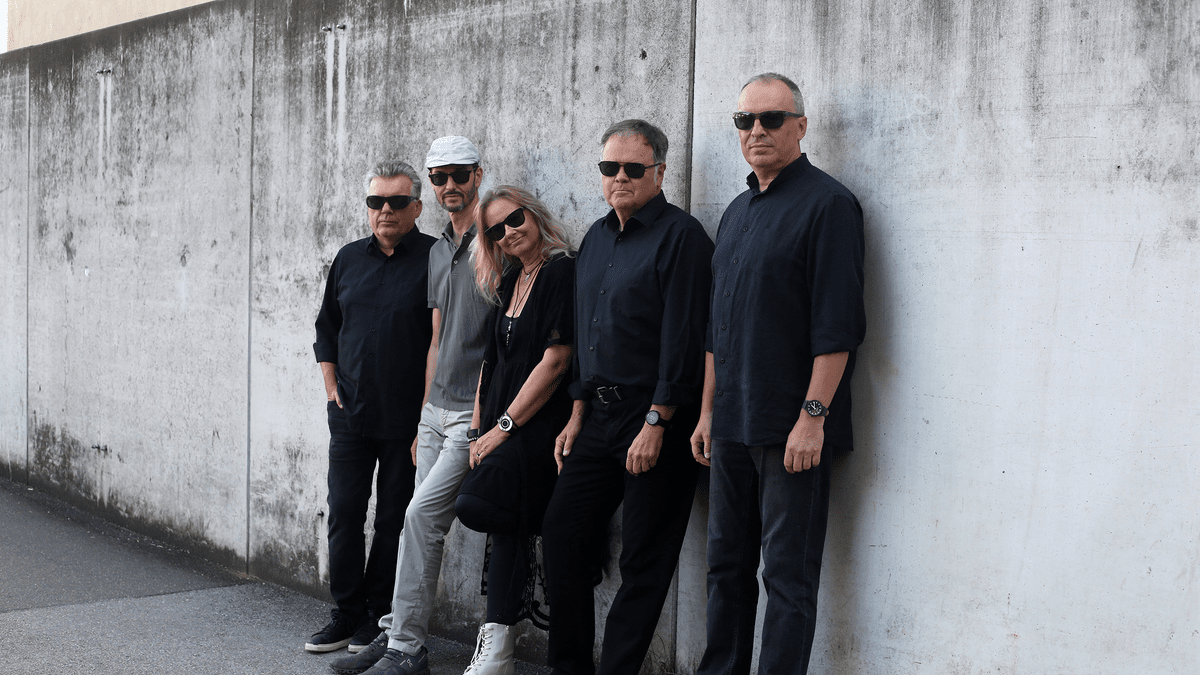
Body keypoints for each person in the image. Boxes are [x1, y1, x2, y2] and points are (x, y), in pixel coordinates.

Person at [691, 73, 866, 675]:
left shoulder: (829, 205)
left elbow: (838, 327)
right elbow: (716, 328)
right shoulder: (737, 211)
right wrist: (707, 412)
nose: (757, 130)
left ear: (801, 126)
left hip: (791, 427)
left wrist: (813, 418)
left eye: (771, 118)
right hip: (731, 423)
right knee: (725, 568)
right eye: (745, 121)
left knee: (788, 576)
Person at [541, 119, 714, 675]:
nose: (620, 177)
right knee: (562, 537)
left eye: (633, 168)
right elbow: (585, 332)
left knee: (644, 560)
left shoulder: (683, 237)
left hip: (657, 418)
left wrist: (658, 421)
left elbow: (685, 338)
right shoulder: (595, 237)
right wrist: (577, 412)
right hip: (598, 418)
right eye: (609, 167)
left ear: (659, 172)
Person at [330, 137, 494, 675]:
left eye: (460, 174)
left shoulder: (486, 241)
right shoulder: (437, 251)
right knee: (399, 521)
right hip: (422, 413)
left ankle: (400, 641)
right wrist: (424, 411)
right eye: (440, 176)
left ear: (477, 175)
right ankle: (389, 630)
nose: (451, 184)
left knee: (415, 518)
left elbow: (496, 338)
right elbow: (434, 340)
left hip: (461, 413)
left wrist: (481, 416)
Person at [310, 160, 434, 653]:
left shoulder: (435, 258)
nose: (386, 210)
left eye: (397, 202)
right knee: (343, 512)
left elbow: (444, 342)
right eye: (376, 201)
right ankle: (346, 613)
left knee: (392, 520)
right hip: (350, 414)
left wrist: (427, 416)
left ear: (416, 207)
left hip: (407, 420)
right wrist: (330, 387)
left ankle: (379, 617)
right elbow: (326, 328)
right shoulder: (347, 258)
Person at [453, 186, 577, 675]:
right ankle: (497, 644)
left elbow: (557, 360)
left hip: (538, 426)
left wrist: (503, 428)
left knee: (477, 504)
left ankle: (498, 645)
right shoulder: (510, 279)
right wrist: (477, 427)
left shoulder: (560, 270)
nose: (508, 233)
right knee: (506, 521)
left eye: (515, 219)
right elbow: (491, 361)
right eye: (495, 231)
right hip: (499, 425)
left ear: (535, 214)